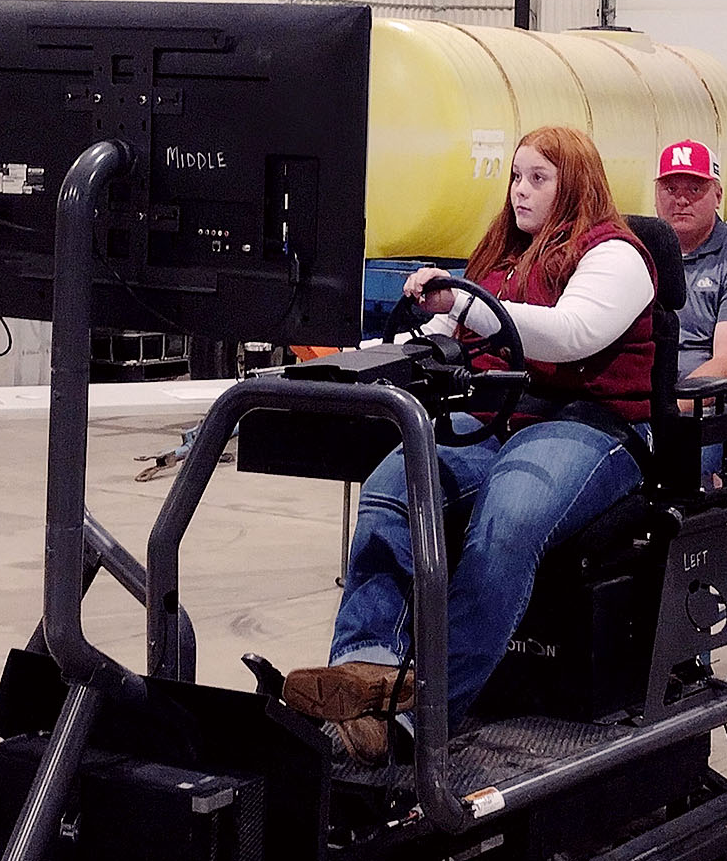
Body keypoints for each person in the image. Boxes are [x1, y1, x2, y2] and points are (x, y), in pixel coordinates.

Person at [281, 126, 658, 762]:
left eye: (539, 178)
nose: (520, 191)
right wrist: (357, 361)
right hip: (501, 422)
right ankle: (361, 673)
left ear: (576, 183)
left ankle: (426, 712)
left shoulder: (616, 254)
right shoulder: (502, 257)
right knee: (392, 487)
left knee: (506, 518)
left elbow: (571, 334)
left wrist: (469, 303)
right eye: (516, 177)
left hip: (592, 427)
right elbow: (442, 332)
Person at [651, 139, 727, 477]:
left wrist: (661, 411)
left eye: (695, 188)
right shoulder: (637, 254)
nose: (681, 199)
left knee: (674, 473)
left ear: (718, 195)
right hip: (647, 407)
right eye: (670, 187)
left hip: (713, 416)